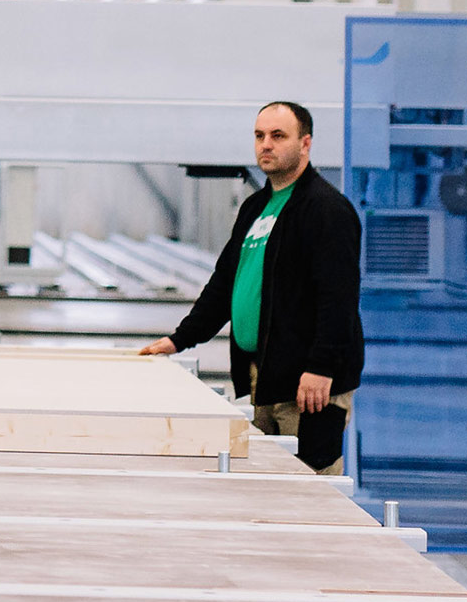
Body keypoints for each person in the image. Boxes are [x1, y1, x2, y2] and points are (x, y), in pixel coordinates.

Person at [137, 101, 365, 474]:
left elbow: (338, 297)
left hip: (308, 387)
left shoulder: (326, 209)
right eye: (260, 136)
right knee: (269, 487)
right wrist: (180, 339)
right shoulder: (257, 207)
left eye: (278, 136)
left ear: (305, 143)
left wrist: (322, 367)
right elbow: (226, 282)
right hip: (266, 375)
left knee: (311, 489)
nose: (266, 145)